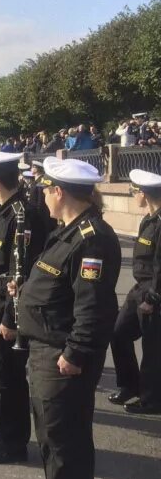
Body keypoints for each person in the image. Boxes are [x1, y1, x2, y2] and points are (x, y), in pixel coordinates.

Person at [13, 157, 121, 479]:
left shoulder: (92, 238)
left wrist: (75, 353)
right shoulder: (69, 232)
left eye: (46, 190)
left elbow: (93, 307)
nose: (42, 196)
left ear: (59, 192)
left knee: (66, 438)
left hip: (62, 354)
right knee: (50, 434)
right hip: (45, 347)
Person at [0, 149, 48, 464]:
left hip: (4, 306)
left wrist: (10, 317)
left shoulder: (21, 215)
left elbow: (22, 272)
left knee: (8, 377)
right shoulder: (3, 212)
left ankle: (14, 443)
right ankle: (3, 433)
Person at [108, 168, 161, 414]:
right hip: (139, 287)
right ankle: (130, 385)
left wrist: (153, 297)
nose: (133, 194)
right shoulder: (149, 219)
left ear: (145, 193)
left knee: (152, 348)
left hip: (154, 292)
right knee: (119, 333)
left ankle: (152, 399)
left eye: (134, 190)